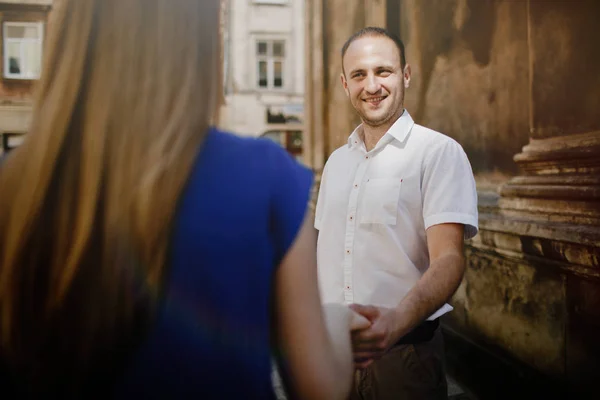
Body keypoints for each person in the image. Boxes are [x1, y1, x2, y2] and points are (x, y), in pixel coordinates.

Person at [0, 1, 367, 398]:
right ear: (199, 42)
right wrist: (333, 319)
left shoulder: (13, 183)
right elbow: (320, 388)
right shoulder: (265, 176)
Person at [314, 27, 479, 399]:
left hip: (404, 359)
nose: (371, 85)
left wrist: (394, 324)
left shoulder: (438, 152)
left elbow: (449, 259)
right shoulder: (336, 163)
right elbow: (326, 254)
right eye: (359, 75)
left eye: (382, 71)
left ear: (405, 74)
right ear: (345, 84)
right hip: (332, 359)